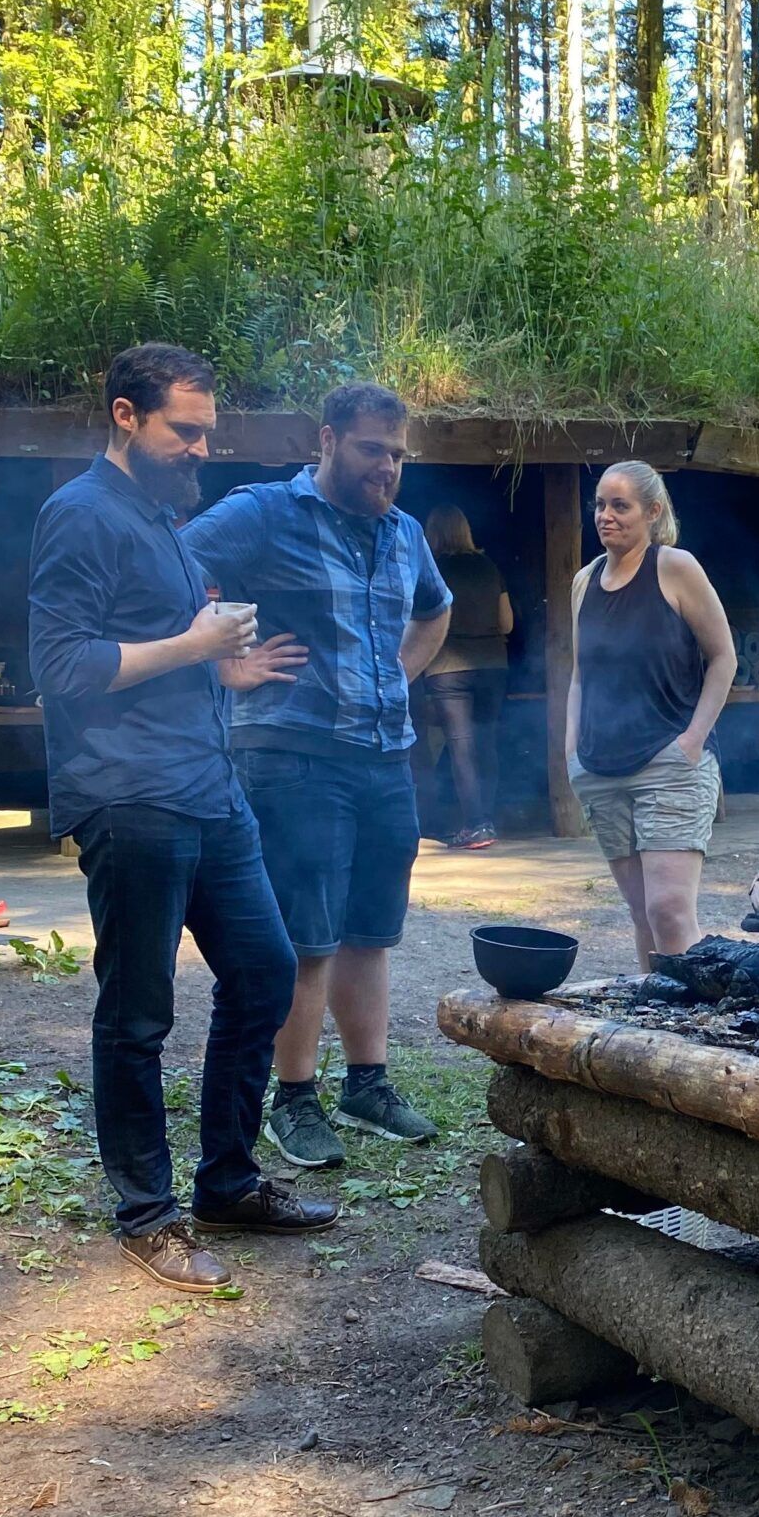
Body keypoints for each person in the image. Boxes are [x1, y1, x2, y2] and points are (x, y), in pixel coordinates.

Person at [27, 341, 337, 1291]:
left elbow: (152, 646)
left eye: (209, 431)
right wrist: (192, 641)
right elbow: (66, 670)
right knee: (137, 1011)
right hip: (129, 797)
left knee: (266, 970)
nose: (204, 448)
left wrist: (215, 662)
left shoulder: (162, 516)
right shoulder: (79, 515)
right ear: (126, 416)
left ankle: (229, 1182)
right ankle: (147, 1215)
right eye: (186, 430)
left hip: (207, 785)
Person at [184, 383, 454, 1168]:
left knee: (370, 929)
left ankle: (365, 1085)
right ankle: (292, 1099)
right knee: (307, 937)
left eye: (399, 455)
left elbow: (435, 610)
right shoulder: (267, 513)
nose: (389, 469)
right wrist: (225, 659)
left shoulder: (405, 533)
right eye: (374, 450)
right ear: (328, 441)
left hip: (382, 757)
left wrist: (397, 677)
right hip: (293, 758)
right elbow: (177, 565)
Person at [567, 461, 736, 969]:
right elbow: (579, 675)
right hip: (599, 769)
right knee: (641, 912)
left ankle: (692, 1026)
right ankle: (657, 1024)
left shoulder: (674, 567)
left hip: (668, 763)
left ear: (653, 512)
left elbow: (724, 657)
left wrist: (692, 740)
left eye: (620, 506)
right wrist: (570, 750)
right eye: (600, 504)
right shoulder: (584, 581)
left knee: (668, 909)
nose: (606, 516)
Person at [421, 504, 513, 850]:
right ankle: (486, 822)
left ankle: (475, 824)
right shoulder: (489, 567)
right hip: (492, 665)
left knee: (461, 747)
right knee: (486, 742)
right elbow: (507, 623)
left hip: (447, 668)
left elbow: (421, 622)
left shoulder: (432, 569)